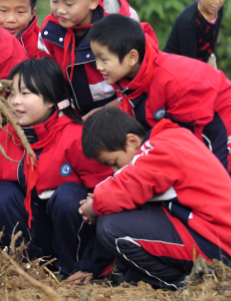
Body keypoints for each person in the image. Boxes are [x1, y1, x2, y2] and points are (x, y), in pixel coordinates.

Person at [0, 58, 113, 283]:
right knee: (0, 195)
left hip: (74, 244)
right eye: (12, 94)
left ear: (51, 98)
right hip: (31, 243)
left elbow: (107, 201)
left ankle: (73, 271)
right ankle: (28, 269)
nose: (15, 101)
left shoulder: (77, 137)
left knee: (69, 196)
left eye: (25, 94)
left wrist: (94, 264)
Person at [80, 108, 231, 289]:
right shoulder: (172, 138)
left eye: (114, 163)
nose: (116, 171)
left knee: (110, 227)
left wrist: (93, 206)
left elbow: (125, 188)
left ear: (132, 141)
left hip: (218, 246)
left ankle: (185, 286)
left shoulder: (160, 149)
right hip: (212, 235)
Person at [87, 14, 231, 171]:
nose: (98, 66)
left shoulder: (174, 81)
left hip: (219, 124)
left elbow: (193, 140)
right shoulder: (129, 78)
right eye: (96, 58)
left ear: (132, 58)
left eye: (104, 60)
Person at [39, 0, 138, 118]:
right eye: (54, 1)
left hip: (121, 111)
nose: (60, 10)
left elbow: (136, 86)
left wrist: (100, 115)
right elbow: (49, 80)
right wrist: (65, 113)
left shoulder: (123, 25)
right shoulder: (49, 32)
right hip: (73, 113)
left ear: (93, 2)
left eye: (69, 4)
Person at [164, 0, 228, 68]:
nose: (217, 2)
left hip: (200, 63)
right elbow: (189, 63)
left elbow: (213, 39)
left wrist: (212, 60)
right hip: (175, 67)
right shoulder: (189, 22)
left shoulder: (218, 9)